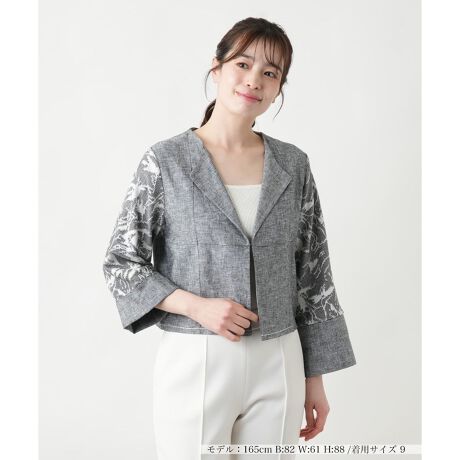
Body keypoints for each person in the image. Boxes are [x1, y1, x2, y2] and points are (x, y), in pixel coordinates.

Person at [102, 17, 356, 460]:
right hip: (196, 357)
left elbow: (314, 275)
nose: (254, 79)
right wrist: (197, 306)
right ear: (216, 68)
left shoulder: (293, 165)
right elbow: (122, 262)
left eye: (270, 72)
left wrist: (314, 377)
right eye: (243, 63)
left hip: (279, 359)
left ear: (279, 89)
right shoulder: (166, 160)